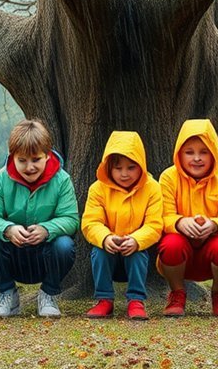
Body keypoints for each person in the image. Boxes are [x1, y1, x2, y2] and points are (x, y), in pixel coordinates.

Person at [0, 119, 79, 318]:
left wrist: (47, 229)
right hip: (12, 251)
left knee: (65, 245)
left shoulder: (62, 180)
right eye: (22, 160)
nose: (29, 167)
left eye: (36, 159)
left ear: (47, 156)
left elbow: (71, 219)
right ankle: (7, 294)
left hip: (45, 252)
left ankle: (48, 294)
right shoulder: (0, 179)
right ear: (12, 156)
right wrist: (8, 229)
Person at [157, 119, 218, 317]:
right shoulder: (168, 178)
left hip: (210, 252)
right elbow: (161, 216)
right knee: (170, 243)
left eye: (204, 152)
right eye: (189, 152)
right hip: (178, 253)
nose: (197, 158)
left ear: (214, 153)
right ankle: (177, 293)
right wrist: (179, 222)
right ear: (179, 154)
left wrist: (214, 224)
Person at [81, 131, 163, 321]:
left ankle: (136, 301)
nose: (124, 174)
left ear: (141, 166)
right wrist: (106, 238)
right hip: (108, 248)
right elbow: (90, 222)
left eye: (131, 167)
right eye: (118, 168)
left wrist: (136, 240)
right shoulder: (97, 188)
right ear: (108, 167)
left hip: (135, 250)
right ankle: (104, 299)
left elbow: (155, 225)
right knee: (99, 252)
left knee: (137, 254)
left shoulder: (152, 188)